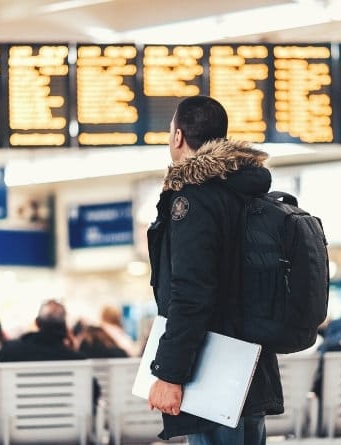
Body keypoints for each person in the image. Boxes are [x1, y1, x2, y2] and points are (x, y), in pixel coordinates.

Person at [146, 95, 282, 444]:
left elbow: (191, 292)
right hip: (250, 366)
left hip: (214, 373)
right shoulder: (245, 194)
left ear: (178, 137)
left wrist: (170, 374)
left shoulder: (194, 199)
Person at [0, 300, 92, 445]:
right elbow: (92, 401)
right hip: (67, 437)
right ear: (65, 327)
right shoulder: (78, 362)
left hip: (14, 436)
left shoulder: (8, 353)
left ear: (37, 323)